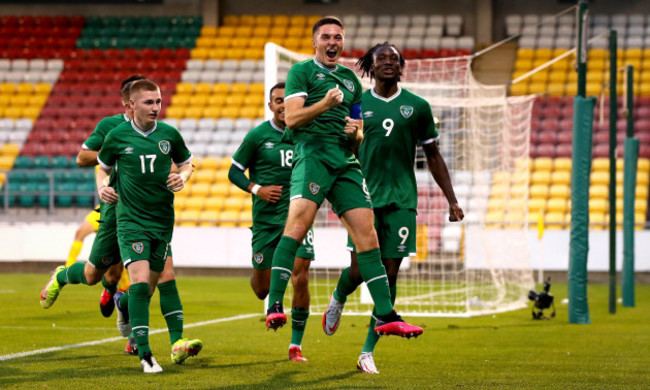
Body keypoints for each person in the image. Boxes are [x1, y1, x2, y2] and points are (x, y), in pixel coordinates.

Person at [264, 16, 422, 340]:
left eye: (338, 37)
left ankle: (386, 315)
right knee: (297, 227)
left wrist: (356, 135)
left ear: (343, 42)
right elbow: (292, 119)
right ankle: (275, 304)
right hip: (313, 156)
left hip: (346, 160)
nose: (332, 42)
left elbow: (358, 132)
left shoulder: (351, 81)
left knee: (369, 238)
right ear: (315, 42)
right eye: (326, 37)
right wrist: (324, 103)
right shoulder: (301, 72)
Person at [323, 42, 465, 374]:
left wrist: (452, 200)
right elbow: (338, 149)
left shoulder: (417, 106)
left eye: (394, 59)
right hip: (362, 197)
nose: (389, 62)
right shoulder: (356, 103)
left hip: (402, 199)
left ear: (401, 66)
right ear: (369, 66)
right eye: (381, 58)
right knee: (359, 271)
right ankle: (339, 296)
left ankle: (367, 352)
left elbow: (433, 155)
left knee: (389, 274)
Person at [95, 79, 200, 373]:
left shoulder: (169, 134)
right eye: (149, 102)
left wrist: (184, 177)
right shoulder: (116, 136)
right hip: (130, 220)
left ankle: (124, 304)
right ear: (131, 106)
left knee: (150, 286)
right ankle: (146, 354)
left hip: (162, 221)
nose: (156, 107)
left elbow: (188, 163)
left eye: (158, 101)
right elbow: (102, 168)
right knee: (140, 282)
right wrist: (103, 188)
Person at [40, 75, 145, 319]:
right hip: (113, 209)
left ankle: (135, 338)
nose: (150, 105)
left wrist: (182, 170)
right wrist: (115, 154)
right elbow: (81, 158)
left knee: (143, 276)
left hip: (141, 212)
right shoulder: (110, 126)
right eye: (142, 99)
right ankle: (63, 275)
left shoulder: (155, 132)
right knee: (96, 275)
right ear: (128, 103)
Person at [228, 82, 314, 362]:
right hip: (266, 221)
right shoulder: (257, 136)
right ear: (270, 105)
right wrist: (257, 189)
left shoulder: (306, 133)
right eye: (277, 100)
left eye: (285, 100)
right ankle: (269, 294)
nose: (281, 105)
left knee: (301, 277)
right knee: (261, 289)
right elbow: (233, 171)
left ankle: (295, 345)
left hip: (299, 217)